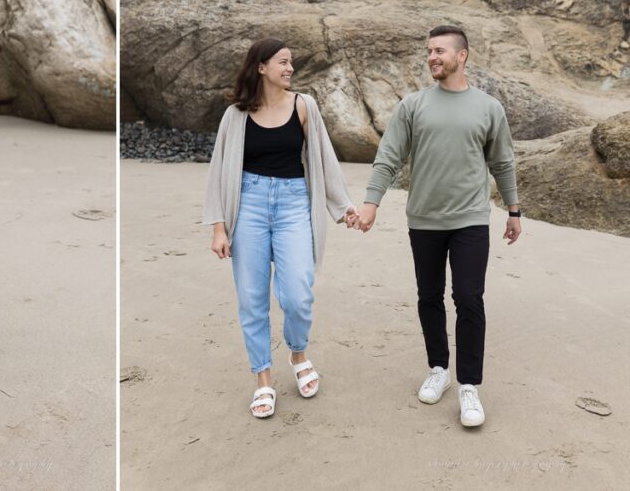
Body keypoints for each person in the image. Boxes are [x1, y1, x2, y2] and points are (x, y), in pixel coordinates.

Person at [354, 25, 521, 428]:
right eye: (429, 50)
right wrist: (371, 204)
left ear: (462, 56)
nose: (432, 57)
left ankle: (469, 386)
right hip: (424, 220)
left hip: (470, 220)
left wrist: (513, 209)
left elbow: (502, 161)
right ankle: (438, 369)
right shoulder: (413, 106)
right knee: (429, 296)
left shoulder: (488, 108)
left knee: (468, 297)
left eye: (440, 50)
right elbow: (388, 158)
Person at [203, 38, 358, 418]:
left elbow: (323, 157)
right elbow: (218, 171)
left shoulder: (304, 106)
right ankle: (263, 379)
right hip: (248, 205)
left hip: (293, 205)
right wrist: (218, 228)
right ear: (261, 67)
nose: (290, 69)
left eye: (291, 63)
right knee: (252, 299)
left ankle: (298, 353)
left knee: (297, 294)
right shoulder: (236, 115)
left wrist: (344, 208)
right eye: (283, 62)